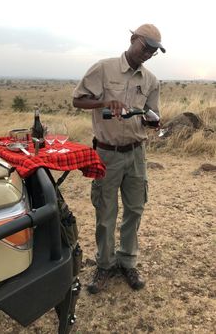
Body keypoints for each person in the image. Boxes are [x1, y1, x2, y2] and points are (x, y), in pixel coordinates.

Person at [72, 24, 166, 294]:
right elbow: (78, 100)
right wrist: (103, 103)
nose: (148, 53)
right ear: (133, 39)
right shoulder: (103, 68)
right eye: (145, 46)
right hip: (106, 153)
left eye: (153, 51)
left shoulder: (151, 81)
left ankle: (127, 261)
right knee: (105, 213)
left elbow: (152, 115)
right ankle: (104, 264)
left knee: (135, 210)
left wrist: (153, 122)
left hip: (137, 153)